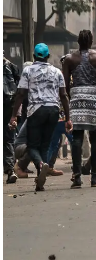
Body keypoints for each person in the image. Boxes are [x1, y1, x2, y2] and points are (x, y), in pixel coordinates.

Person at [8, 44, 70, 191]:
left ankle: (41, 166)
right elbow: (64, 96)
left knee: (32, 145)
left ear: (34, 56)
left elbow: (21, 94)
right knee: (45, 145)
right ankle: (40, 181)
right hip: (53, 111)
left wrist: (13, 116)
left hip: (36, 110)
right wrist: (68, 118)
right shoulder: (56, 72)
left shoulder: (28, 70)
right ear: (48, 56)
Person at [61, 30, 96, 188]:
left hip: (77, 99)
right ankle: (94, 177)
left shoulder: (69, 59)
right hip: (94, 100)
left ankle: (77, 177)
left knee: (77, 139)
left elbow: (64, 85)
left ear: (78, 42)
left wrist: (67, 102)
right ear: (91, 42)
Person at [4, 57, 24, 183]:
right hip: (9, 104)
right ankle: (10, 170)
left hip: (8, 104)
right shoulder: (11, 66)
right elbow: (19, 87)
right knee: (8, 137)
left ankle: (10, 169)